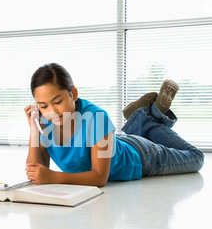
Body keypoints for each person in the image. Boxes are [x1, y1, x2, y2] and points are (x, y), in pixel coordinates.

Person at [24, 63, 204, 186]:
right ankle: (139, 119)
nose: (52, 111)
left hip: (143, 157)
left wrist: (55, 177)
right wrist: (34, 130)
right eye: (43, 106)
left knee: (196, 158)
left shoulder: (97, 118)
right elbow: (36, 171)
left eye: (57, 101)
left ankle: (148, 119)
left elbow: (99, 177)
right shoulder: (44, 122)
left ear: (73, 93)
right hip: (114, 142)